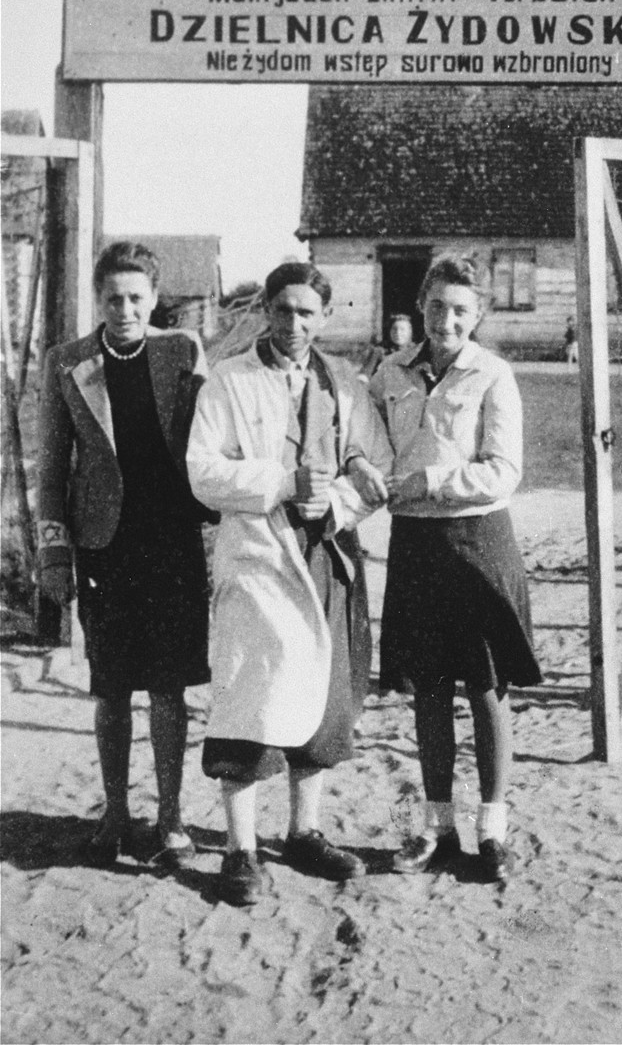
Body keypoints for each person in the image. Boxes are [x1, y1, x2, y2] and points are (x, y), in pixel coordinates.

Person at [186, 261, 393, 905]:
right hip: (258, 551)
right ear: (266, 311)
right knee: (251, 690)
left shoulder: (345, 385)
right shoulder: (229, 381)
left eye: (308, 312)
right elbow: (202, 472)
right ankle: (241, 849)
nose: (295, 324)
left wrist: (336, 503)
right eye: (283, 310)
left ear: (325, 317)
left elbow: (376, 466)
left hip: (326, 549)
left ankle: (304, 830)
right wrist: (279, 482)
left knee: (324, 690)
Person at [359, 255, 542, 884]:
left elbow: (503, 471)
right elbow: (369, 450)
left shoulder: (493, 374)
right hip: (416, 549)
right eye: (437, 306)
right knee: (429, 690)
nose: (447, 320)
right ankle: (440, 827)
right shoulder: (389, 374)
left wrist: (429, 481)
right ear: (420, 306)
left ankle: (492, 830)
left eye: (462, 309)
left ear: (479, 314)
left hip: (478, 543)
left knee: (485, 688)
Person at [37, 240, 213, 868]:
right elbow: (52, 471)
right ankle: (115, 814)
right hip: (104, 548)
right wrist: (54, 555)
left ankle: (170, 820)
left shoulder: (182, 352)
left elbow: (215, 441)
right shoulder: (68, 362)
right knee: (110, 688)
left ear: (155, 300)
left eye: (137, 297)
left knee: (169, 687)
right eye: (113, 297)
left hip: (173, 544)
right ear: (98, 298)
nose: (125, 308)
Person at [358, 313, 415, 383]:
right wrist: (362, 380)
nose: (398, 333)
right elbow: (365, 373)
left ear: (410, 332)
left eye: (402, 329)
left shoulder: (417, 351)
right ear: (390, 331)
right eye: (394, 329)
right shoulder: (379, 351)